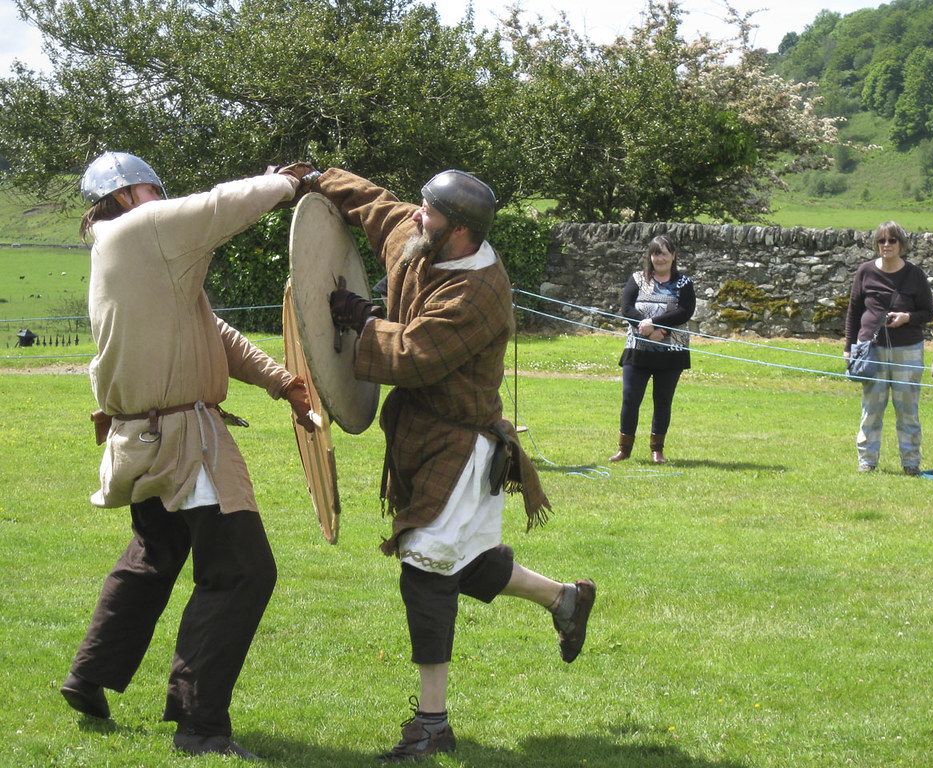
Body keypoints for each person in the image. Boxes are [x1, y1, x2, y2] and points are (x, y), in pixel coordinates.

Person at [317, 168, 596, 763]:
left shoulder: (479, 293)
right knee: (459, 563)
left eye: (431, 213)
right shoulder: (424, 241)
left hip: (463, 446)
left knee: (425, 572)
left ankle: (432, 722)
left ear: (461, 232)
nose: (418, 217)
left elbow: (415, 355)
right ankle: (565, 599)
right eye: (422, 208)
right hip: (424, 437)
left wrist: (365, 321)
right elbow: (380, 210)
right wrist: (316, 180)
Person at [60, 151, 317, 760]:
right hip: (181, 444)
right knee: (242, 572)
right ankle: (201, 727)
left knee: (154, 554)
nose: (160, 197)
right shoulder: (140, 229)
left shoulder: (122, 251)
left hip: (143, 442)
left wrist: (282, 381)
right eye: (151, 188)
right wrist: (286, 184)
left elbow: (212, 331)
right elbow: (221, 205)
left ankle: (89, 676)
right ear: (125, 194)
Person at [844, 221, 933, 474]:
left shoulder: (915, 275)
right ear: (876, 244)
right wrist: (848, 347)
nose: (886, 245)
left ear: (901, 244)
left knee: (907, 409)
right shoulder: (865, 271)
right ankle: (867, 461)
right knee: (871, 408)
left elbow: (928, 312)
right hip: (871, 350)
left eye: (892, 240)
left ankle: (910, 463)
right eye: (882, 241)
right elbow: (853, 311)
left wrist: (907, 317)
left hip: (908, 349)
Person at [608, 235, 696, 464]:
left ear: (673, 256)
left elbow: (685, 311)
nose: (660, 258)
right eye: (656, 253)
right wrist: (646, 330)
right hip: (637, 350)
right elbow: (626, 307)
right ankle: (623, 450)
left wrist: (655, 325)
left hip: (671, 353)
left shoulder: (684, 282)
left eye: (665, 253)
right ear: (650, 256)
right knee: (630, 398)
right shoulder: (637, 279)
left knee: (663, 400)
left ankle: (657, 450)